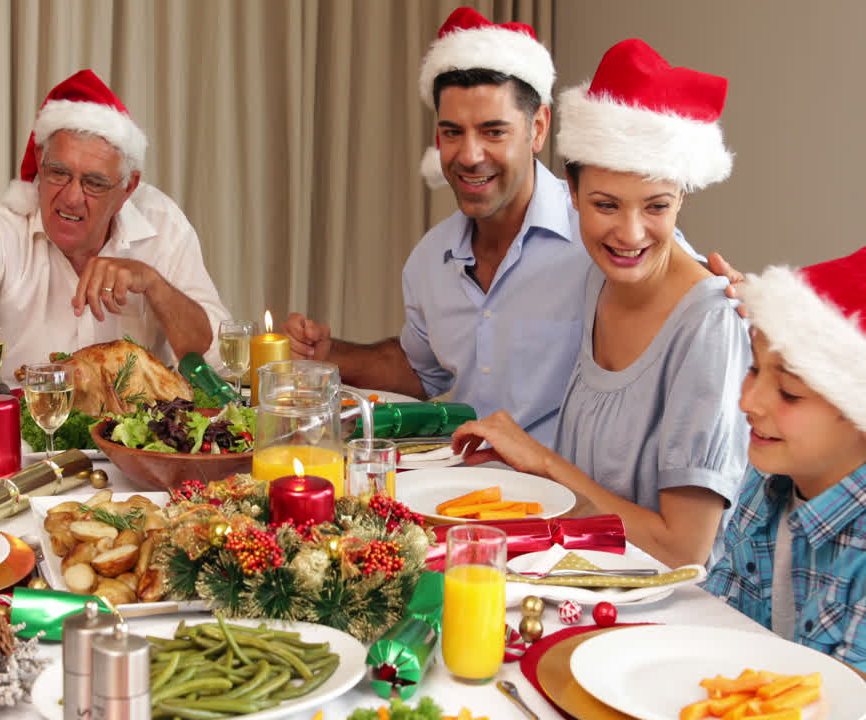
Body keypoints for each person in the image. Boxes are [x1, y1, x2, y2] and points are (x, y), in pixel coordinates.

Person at [281, 8, 735, 446]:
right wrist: (331, 354)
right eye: (452, 132)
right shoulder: (429, 260)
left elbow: (687, 291)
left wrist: (735, 299)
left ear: (537, 128)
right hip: (461, 498)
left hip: (567, 505)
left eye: (494, 131)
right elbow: (421, 369)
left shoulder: (604, 235)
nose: (470, 154)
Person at [452, 39, 750, 569]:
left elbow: (682, 551)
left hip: (671, 611)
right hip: (587, 575)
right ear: (570, 190)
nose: (629, 234)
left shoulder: (709, 325)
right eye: (605, 205)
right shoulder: (598, 279)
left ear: (682, 196)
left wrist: (541, 461)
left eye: (656, 206)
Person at [0, 70, 230, 412]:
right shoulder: (7, 228)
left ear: (127, 189)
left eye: (93, 183)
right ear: (40, 164)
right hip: (28, 444)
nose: (71, 197)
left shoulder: (161, 224)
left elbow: (212, 354)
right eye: (58, 173)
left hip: (140, 448)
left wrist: (152, 283)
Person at [705, 248, 866, 672]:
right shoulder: (766, 482)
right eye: (754, 370)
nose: (747, 402)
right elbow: (709, 631)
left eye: (790, 392)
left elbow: (844, 702)